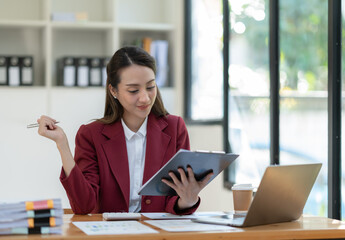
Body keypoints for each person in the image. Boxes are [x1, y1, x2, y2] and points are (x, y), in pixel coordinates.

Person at [37, 46, 213, 215]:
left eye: (151, 87)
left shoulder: (175, 128)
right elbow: (84, 205)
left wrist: (188, 199)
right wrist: (62, 145)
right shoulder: (91, 135)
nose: (145, 98)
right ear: (113, 90)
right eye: (133, 90)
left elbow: (174, 199)